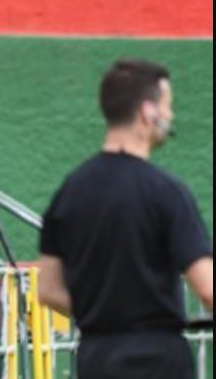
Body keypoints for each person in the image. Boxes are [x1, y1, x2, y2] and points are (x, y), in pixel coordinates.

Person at [39, 59, 214, 379]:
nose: (171, 115)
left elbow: (48, 290)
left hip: (96, 357)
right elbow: (208, 288)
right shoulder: (167, 191)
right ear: (148, 113)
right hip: (158, 359)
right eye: (168, 105)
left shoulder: (69, 191)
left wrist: (107, 315)